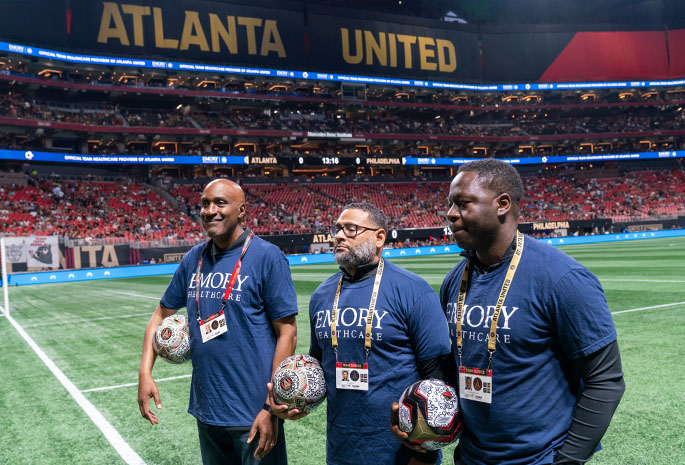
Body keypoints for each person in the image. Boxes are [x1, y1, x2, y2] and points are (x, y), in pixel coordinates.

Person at [393, 159, 625, 465]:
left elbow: (605, 380)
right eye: (450, 204)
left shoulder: (563, 279)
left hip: (539, 458)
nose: (450, 214)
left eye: (462, 203)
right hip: (470, 458)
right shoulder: (455, 280)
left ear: (503, 204)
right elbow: (455, 366)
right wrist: (422, 414)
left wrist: (568, 460)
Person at [270, 202, 452, 465]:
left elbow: (436, 379)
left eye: (351, 229)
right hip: (341, 449)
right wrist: (290, 400)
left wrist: (423, 453)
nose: (339, 236)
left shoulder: (415, 291)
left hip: (401, 453)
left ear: (379, 237)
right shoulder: (321, 295)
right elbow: (318, 369)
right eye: (338, 229)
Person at [137, 179, 298, 465]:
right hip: (207, 410)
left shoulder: (267, 257)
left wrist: (271, 408)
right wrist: (145, 373)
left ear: (242, 210)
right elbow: (160, 314)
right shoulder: (192, 259)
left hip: (253, 413)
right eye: (204, 203)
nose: (210, 210)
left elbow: (288, 333)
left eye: (220, 203)